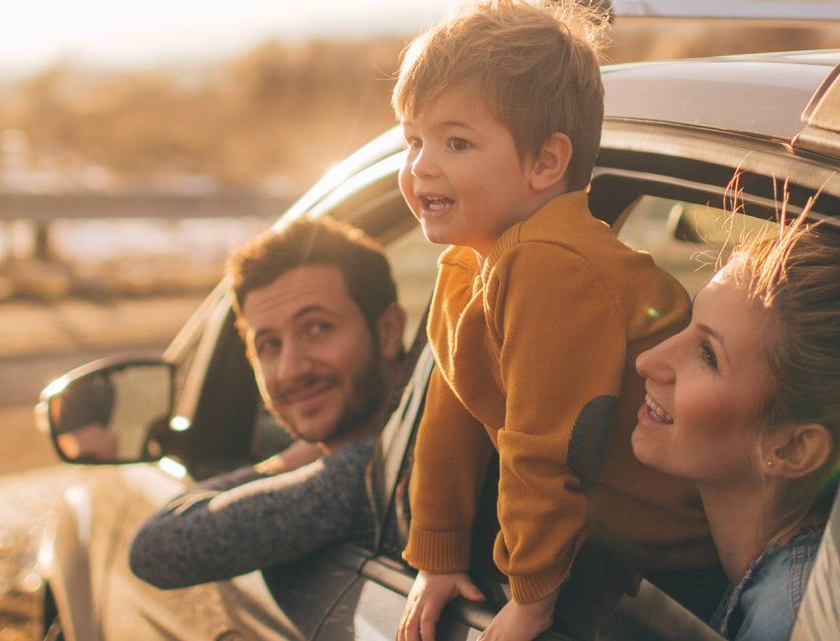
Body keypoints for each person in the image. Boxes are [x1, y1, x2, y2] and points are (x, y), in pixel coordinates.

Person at [394, 3, 720, 640]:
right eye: (414, 140)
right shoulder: (470, 263)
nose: (421, 166)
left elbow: (545, 446)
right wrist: (436, 556)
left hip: (692, 554)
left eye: (456, 142)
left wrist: (531, 597)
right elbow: (451, 411)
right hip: (619, 541)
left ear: (546, 162)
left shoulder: (549, 264)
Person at [632, 216, 840, 641]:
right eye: (687, 325)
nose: (648, 361)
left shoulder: (788, 620)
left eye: (707, 355)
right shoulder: (789, 582)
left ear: (792, 449)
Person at [128, 216, 407, 589]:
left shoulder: (379, 473)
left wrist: (290, 461)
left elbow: (157, 549)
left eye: (317, 327)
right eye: (269, 345)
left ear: (388, 331)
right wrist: (304, 455)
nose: (291, 370)